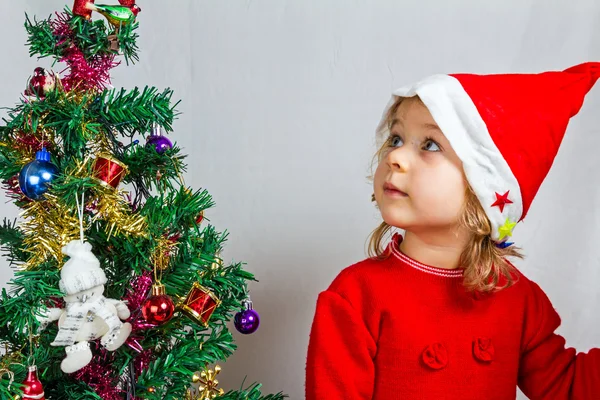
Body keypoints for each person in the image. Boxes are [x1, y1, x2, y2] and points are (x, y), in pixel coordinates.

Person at [305, 63, 600, 399]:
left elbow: (570, 386)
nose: (395, 156)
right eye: (396, 138)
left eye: (430, 145)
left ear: (485, 190)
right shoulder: (354, 298)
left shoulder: (518, 299)